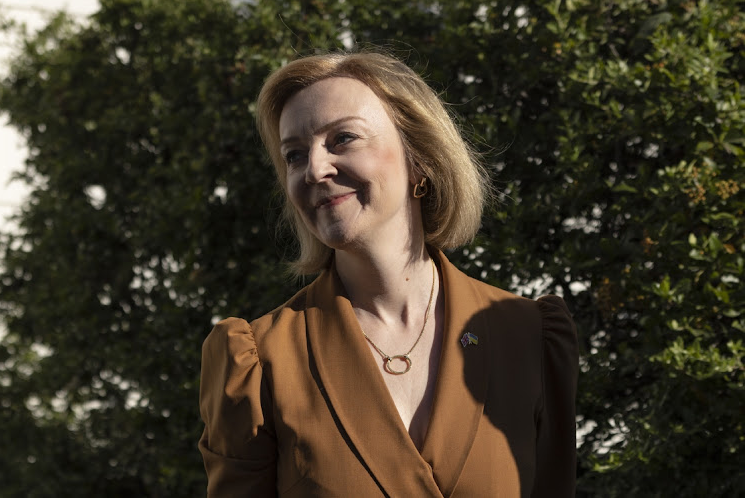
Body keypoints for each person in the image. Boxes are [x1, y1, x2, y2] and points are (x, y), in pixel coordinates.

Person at [198, 51, 578, 497]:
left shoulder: (528, 336)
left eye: (342, 139)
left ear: (419, 159)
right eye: (295, 155)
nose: (315, 169)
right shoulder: (259, 361)